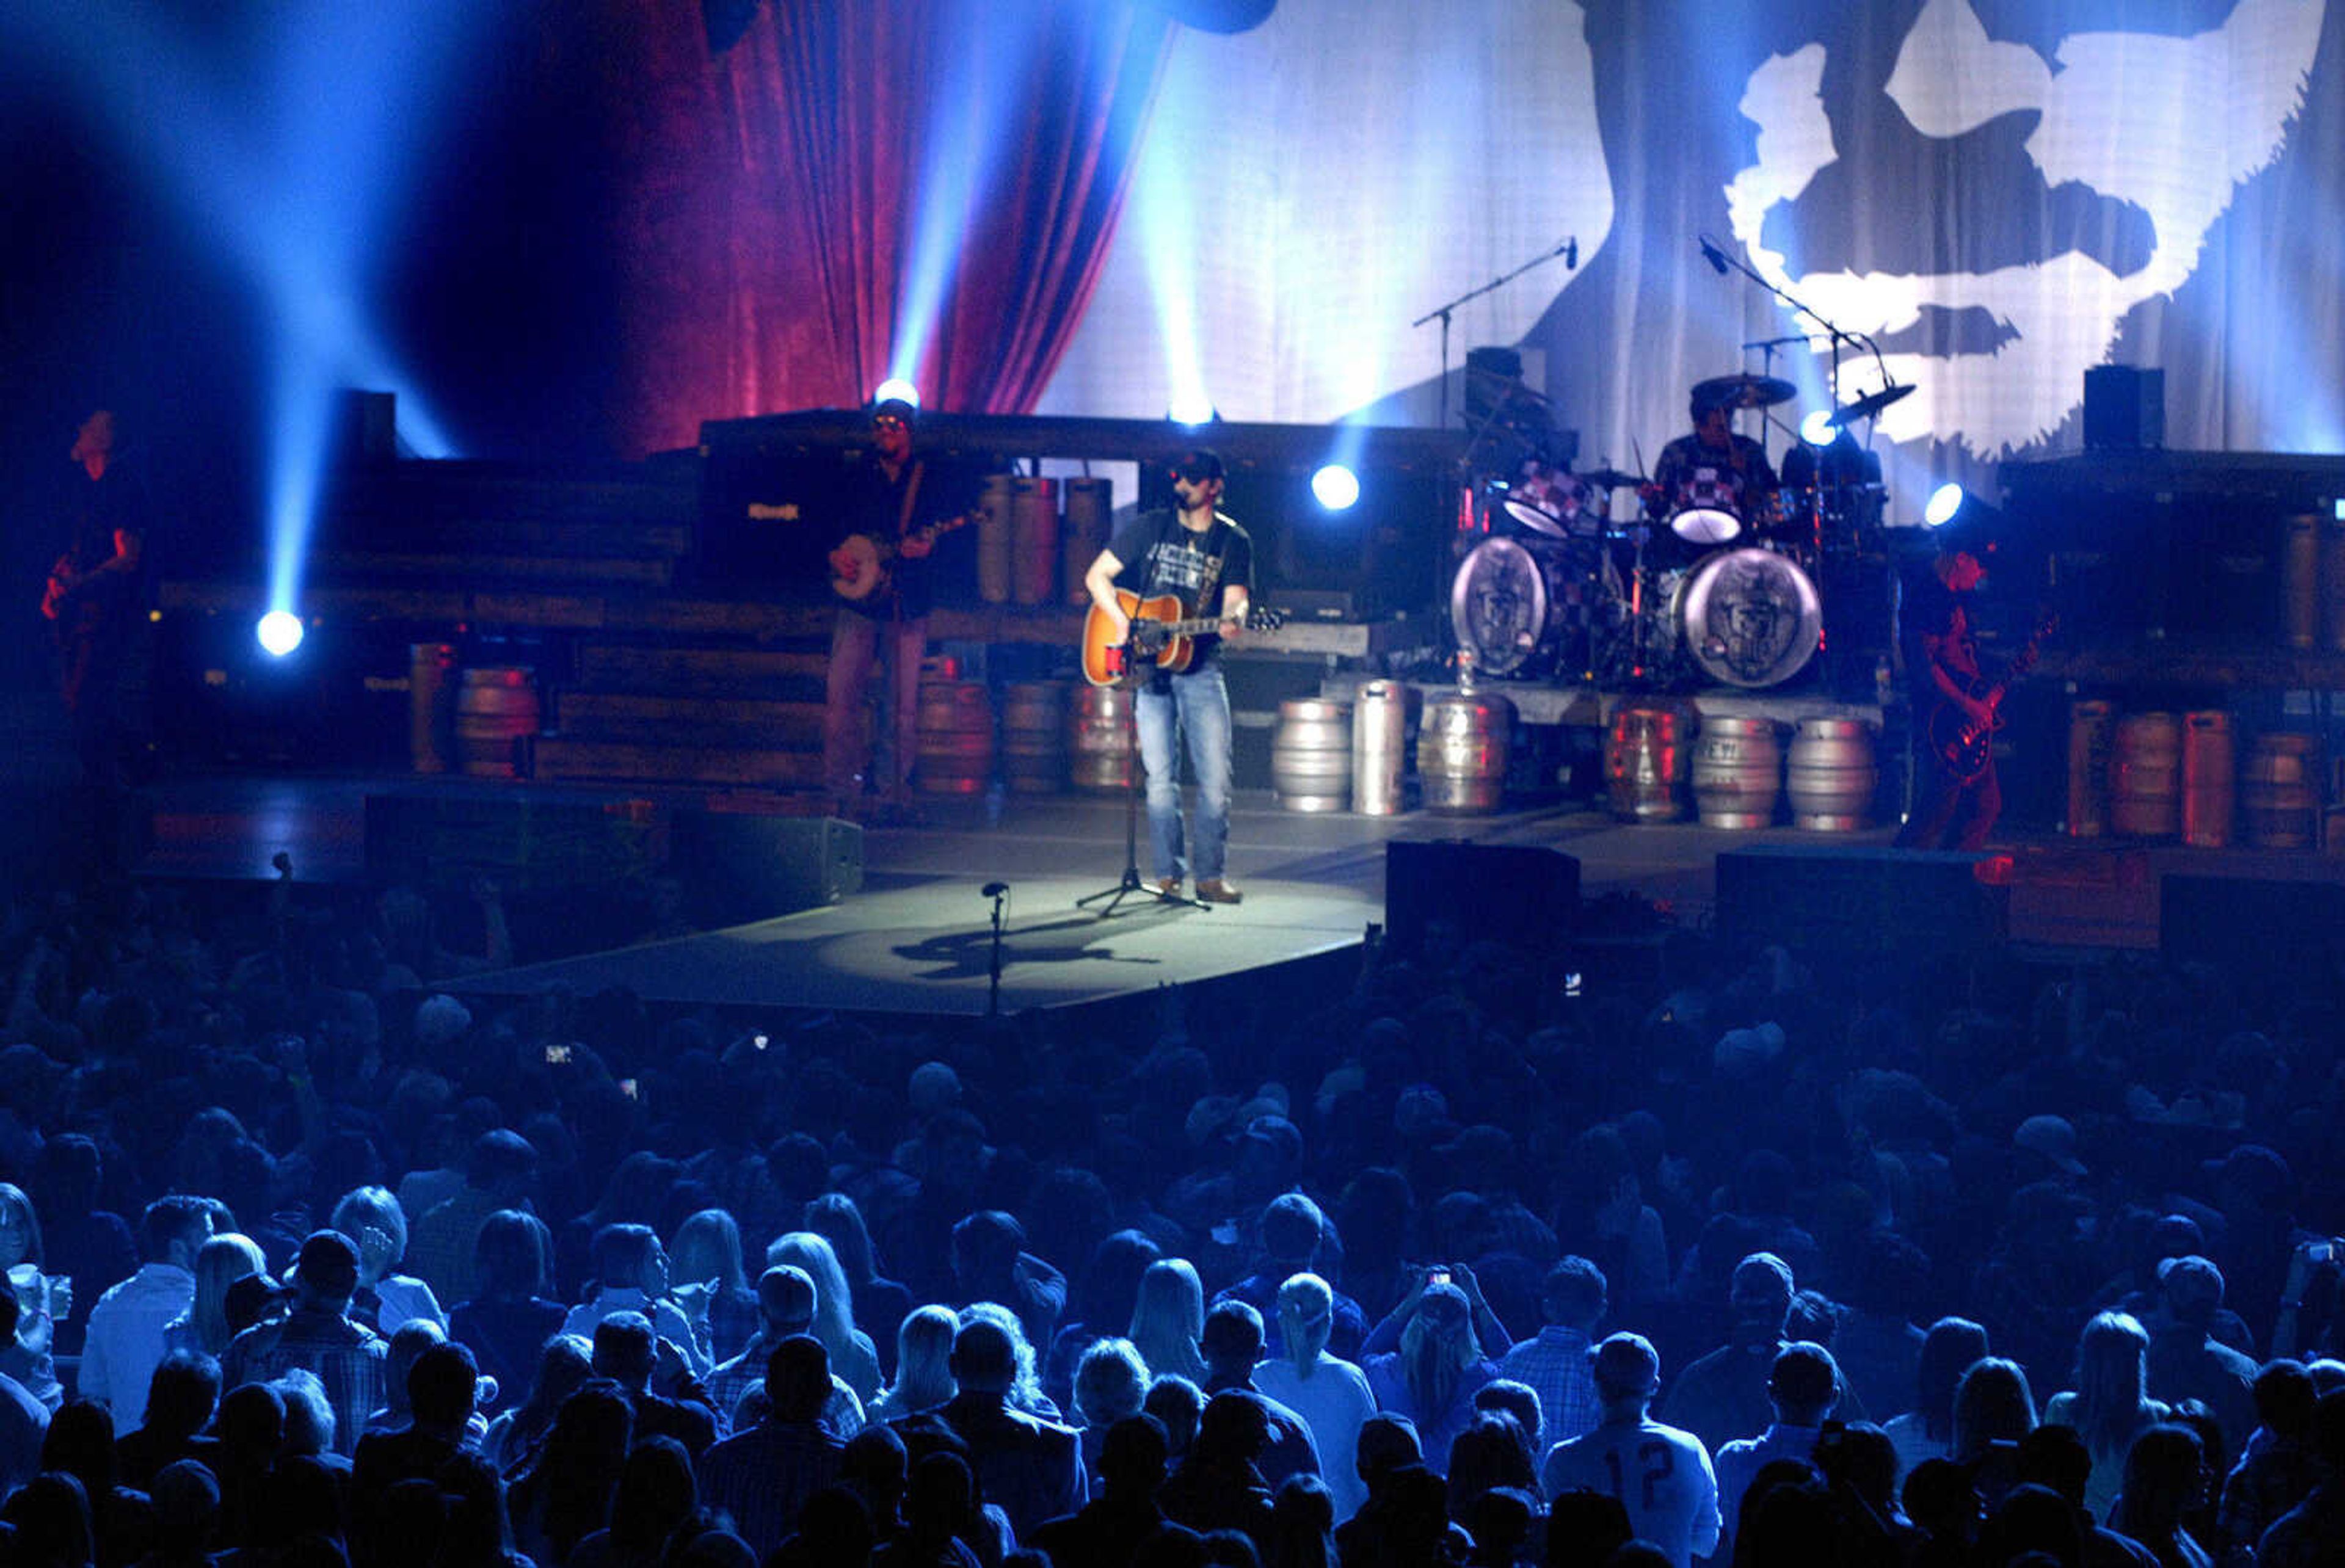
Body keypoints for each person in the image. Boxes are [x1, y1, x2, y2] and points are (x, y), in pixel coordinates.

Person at [1083, 447, 1255, 903]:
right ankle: (1167, 875)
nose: (1182, 486)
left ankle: (1211, 877)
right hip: (1149, 670)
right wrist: (1121, 623)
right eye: (1179, 477)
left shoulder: (1232, 541)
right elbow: (1097, 576)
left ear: (1215, 487)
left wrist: (1234, 618)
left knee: (1215, 780)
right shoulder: (1151, 527)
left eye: (1193, 480)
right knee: (1159, 780)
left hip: (1202, 669)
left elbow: (1236, 602)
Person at [821, 398, 942, 819]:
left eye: (894, 425)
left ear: (909, 431)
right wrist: (835, 554)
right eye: (880, 424)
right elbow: (828, 526)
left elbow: (948, 533)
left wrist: (928, 546)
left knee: (902, 706)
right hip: (857, 604)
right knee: (841, 699)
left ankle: (893, 791)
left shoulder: (927, 479)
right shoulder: (856, 476)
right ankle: (841, 788)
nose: (885, 431)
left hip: (905, 603)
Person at [1538, 1332, 1720, 1568]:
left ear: (1596, 1379)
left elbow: (1553, 1548)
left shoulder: (1564, 1459)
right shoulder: (1690, 1449)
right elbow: (1707, 1544)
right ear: (1654, 1386)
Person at [44, 408, 155, 793]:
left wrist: (79, 584)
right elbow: (83, 549)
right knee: (82, 702)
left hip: (108, 614)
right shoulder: (93, 487)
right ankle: (125, 774)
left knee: (87, 703)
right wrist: (58, 584)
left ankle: (119, 780)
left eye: (89, 426)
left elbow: (129, 557)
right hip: (86, 612)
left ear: (105, 441)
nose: (80, 429)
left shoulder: (121, 487)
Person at [1895, 541, 2001, 850]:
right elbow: (1927, 667)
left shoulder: (1957, 600)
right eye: (1978, 566)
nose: (1981, 575)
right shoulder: (1926, 598)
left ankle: (1952, 877)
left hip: (1966, 717)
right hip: (1941, 720)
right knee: (1937, 808)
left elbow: (1961, 658)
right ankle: (1895, 881)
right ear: (1962, 559)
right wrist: (1968, 704)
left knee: (1982, 806)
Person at [78, 1194, 211, 1435]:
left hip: (126, 1453)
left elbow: (92, 1386)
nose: (214, 1246)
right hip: (193, 1450)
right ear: (178, 1248)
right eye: (208, 1237)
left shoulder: (110, 1303)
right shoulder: (203, 1303)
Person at [1649, 383, 1778, 543]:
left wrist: (1745, 474)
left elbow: (1770, 499)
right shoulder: (1676, 453)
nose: (1726, 434)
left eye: (1728, 426)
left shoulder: (1749, 450)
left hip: (1739, 541)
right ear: (1699, 427)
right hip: (1685, 540)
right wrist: (1650, 497)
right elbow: (1658, 510)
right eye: (1719, 428)